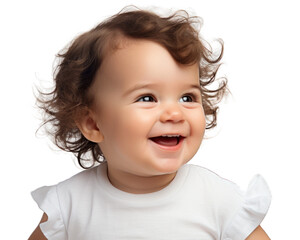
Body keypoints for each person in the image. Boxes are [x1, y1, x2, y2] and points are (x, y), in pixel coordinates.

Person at [29, 6, 271, 240]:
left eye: (187, 97)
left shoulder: (219, 200)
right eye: (147, 98)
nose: (174, 114)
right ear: (93, 124)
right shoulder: (69, 205)